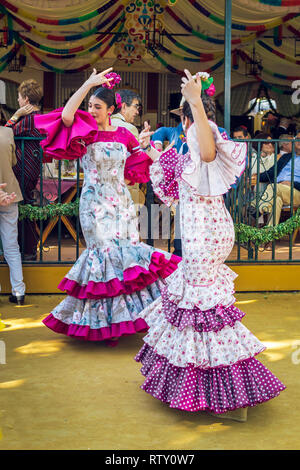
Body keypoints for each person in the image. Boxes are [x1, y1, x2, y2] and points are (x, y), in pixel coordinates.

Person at [135, 69, 285, 421]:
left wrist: (194, 101)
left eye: (184, 117)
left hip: (205, 235)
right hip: (204, 233)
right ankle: (207, 387)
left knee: (204, 314)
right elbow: (176, 170)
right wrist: (149, 150)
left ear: (189, 118)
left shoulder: (207, 138)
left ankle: (230, 393)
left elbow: (206, 153)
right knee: (198, 310)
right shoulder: (187, 148)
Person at [34, 68, 181, 345]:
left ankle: (130, 320)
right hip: (93, 203)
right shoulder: (85, 131)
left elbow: (141, 164)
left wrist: (150, 147)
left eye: (97, 106)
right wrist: (88, 84)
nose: (92, 110)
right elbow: (67, 115)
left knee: (124, 258)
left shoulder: (125, 136)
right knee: (102, 256)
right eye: (90, 105)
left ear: (112, 109)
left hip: (121, 202)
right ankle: (101, 324)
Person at [5, 79, 43, 261]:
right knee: (25, 205)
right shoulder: (39, 117)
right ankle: (28, 249)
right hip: (32, 167)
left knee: (23, 207)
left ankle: (28, 250)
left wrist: (15, 115)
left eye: (19, 98)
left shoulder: (27, 120)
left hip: (22, 169)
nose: (18, 101)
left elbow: (3, 134)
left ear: (26, 99)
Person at [0, 127, 26, 305]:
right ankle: (19, 292)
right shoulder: (7, 133)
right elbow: (14, 161)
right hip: (10, 192)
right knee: (11, 246)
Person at [258, 129, 300, 230]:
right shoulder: (286, 157)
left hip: (296, 192)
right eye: (297, 138)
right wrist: (255, 176)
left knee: (273, 187)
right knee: (276, 201)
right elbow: (271, 173)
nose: (299, 141)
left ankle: (258, 209)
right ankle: (269, 234)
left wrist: (291, 183)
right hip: (278, 190)